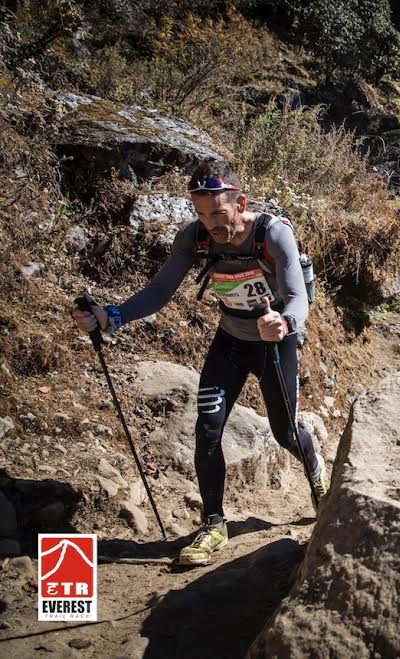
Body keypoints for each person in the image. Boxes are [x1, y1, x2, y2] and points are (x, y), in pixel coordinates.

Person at [71, 160, 328, 566]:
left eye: (219, 214)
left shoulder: (273, 234)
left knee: (284, 432)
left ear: (240, 202)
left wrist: (286, 321)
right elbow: (160, 288)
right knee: (207, 429)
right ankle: (213, 525)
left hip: (275, 341)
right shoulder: (195, 237)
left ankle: (315, 469)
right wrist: (111, 316)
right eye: (202, 214)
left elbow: (296, 296)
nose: (210, 224)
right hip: (230, 340)